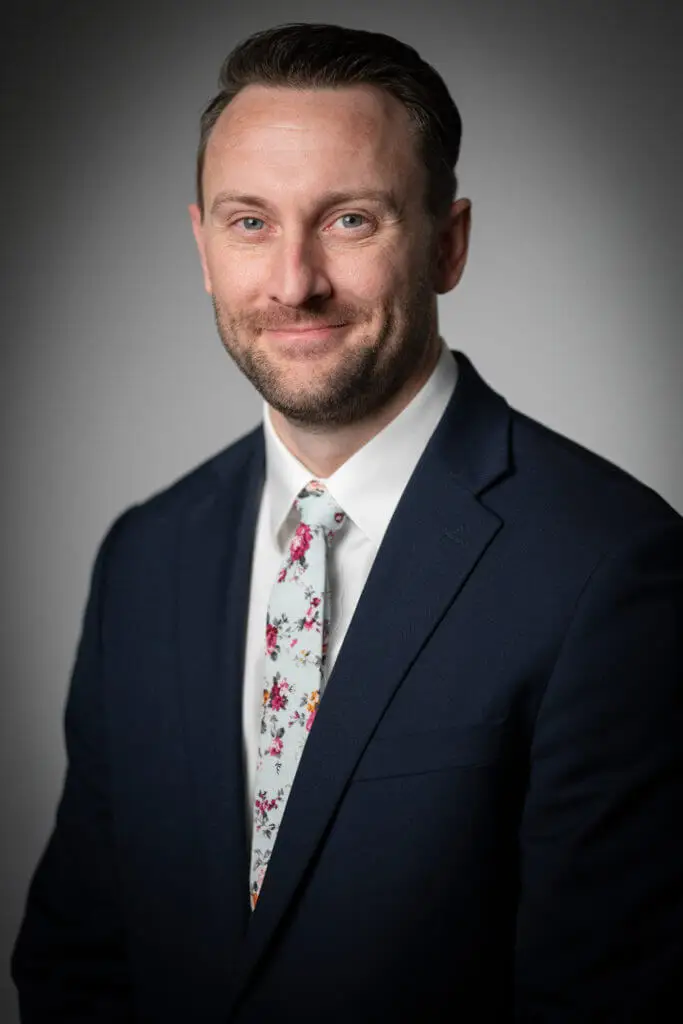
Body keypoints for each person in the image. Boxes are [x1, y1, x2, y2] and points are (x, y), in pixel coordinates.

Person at [11, 20, 683, 1023]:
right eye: (249, 222)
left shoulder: (611, 567)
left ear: (446, 244)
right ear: (200, 246)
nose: (293, 282)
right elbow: (79, 963)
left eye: (350, 220)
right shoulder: (145, 557)